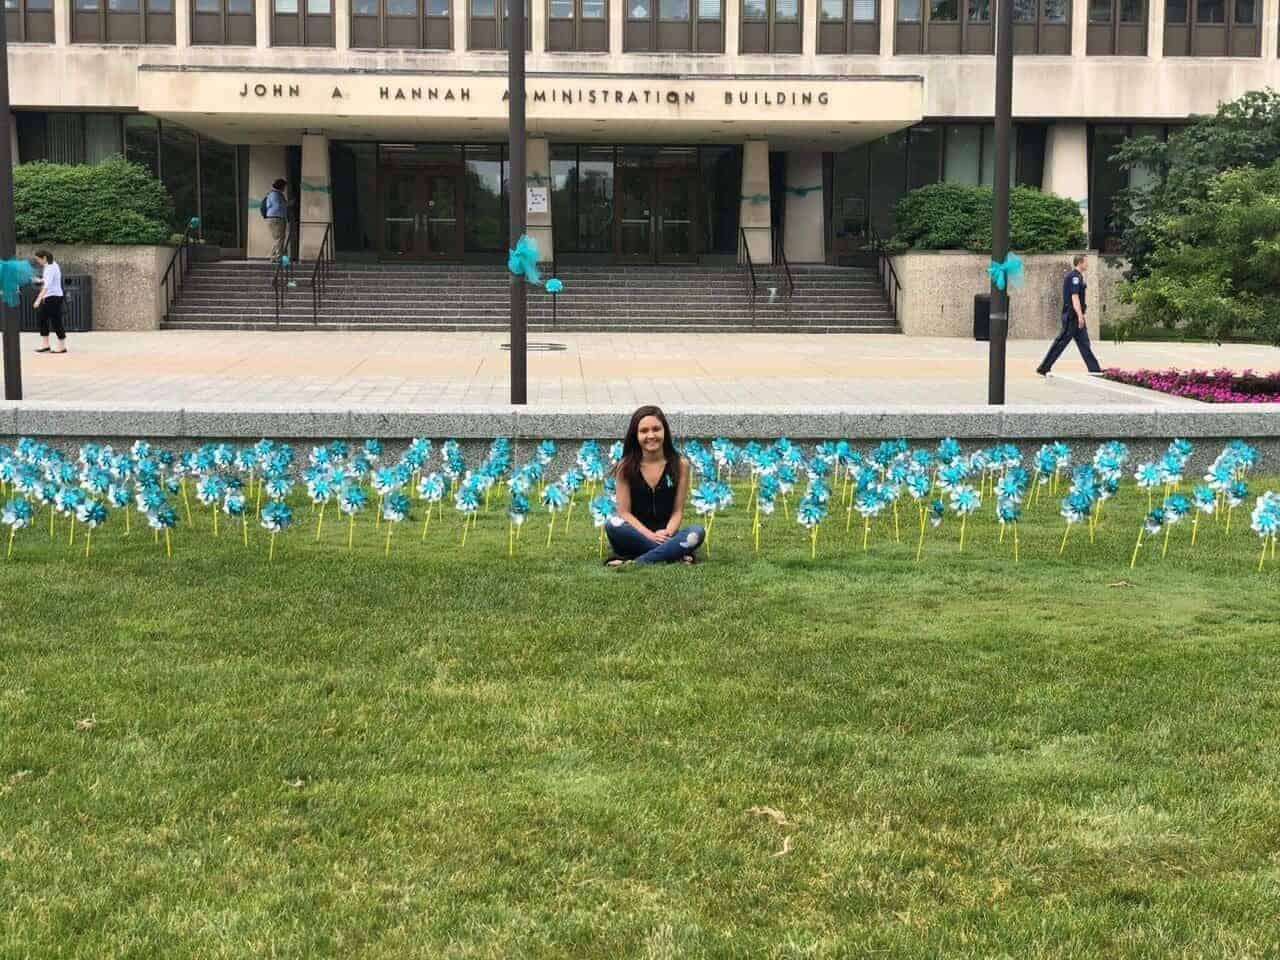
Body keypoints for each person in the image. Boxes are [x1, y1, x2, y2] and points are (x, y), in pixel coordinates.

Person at [605, 405, 705, 568]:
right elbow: (624, 513)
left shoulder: (681, 465)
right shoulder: (625, 466)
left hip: (667, 535)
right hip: (635, 535)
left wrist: (667, 533)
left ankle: (635, 562)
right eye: (644, 431)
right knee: (613, 524)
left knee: (697, 531)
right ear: (635, 435)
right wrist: (651, 535)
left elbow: (677, 511)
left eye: (656, 429)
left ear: (664, 431)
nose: (651, 435)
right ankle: (673, 554)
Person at [1037, 253, 1103, 376]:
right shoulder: (1074, 277)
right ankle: (1044, 367)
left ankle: (1095, 369)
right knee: (1061, 342)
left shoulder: (1078, 276)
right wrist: (1079, 315)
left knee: (1084, 343)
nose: (1087, 264)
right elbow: (1075, 296)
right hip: (1072, 317)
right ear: (1080, 263)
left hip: (1077, 316)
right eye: (1086, 262)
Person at [31, 250, 67, 355]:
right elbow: (48, 281)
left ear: (44, 258)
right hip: (49, 297)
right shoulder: (50, 266)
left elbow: (47, 286)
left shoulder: (51, 268)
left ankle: (62, 346)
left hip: (54, 297)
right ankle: (45, 345)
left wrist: (38, 299)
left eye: (38, 259)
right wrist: (40, 280)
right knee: (42, 319)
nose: (38, 262)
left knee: (56, 321)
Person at [263, 178, 289, 261]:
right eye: (284, 186)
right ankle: (277, 257)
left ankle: (273, 256)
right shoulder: (276, 194)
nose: (285, 188)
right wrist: (288, 204)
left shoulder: (271, 194)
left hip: (273, 218)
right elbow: (278, 206)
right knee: (279, 238)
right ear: (281, 186)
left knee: (278, 238)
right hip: (277, 218)